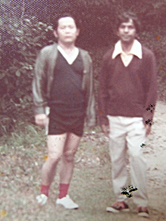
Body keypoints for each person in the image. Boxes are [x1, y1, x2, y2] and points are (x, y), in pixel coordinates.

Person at [32, 14, 95, 209]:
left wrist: (90, 115)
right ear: (55, 32)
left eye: (71, 27)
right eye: (63, 27)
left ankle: (63, 196)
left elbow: (90, 88)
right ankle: (43, 192)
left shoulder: (84, 56)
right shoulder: (47, 53)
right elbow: (38, 82)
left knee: (69, 155)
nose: (67, 30)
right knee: (54, 155)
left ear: (77, 32)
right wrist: (40, 110)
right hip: (55, 112)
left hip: (77, 112)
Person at [98, 11, 157, 218]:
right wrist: (103, 117)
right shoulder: (109, 56)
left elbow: (152, 89)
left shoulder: (147, 56)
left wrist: (148, 119)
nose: (126, 30)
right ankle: (121, 199)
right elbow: (102, 89)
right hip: (114, 117)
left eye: (130, 27)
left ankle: (141, 201)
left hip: (137, 119)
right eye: (122, 27)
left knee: (137, 156)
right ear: (117, 30)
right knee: (117, 158)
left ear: (136, 31)